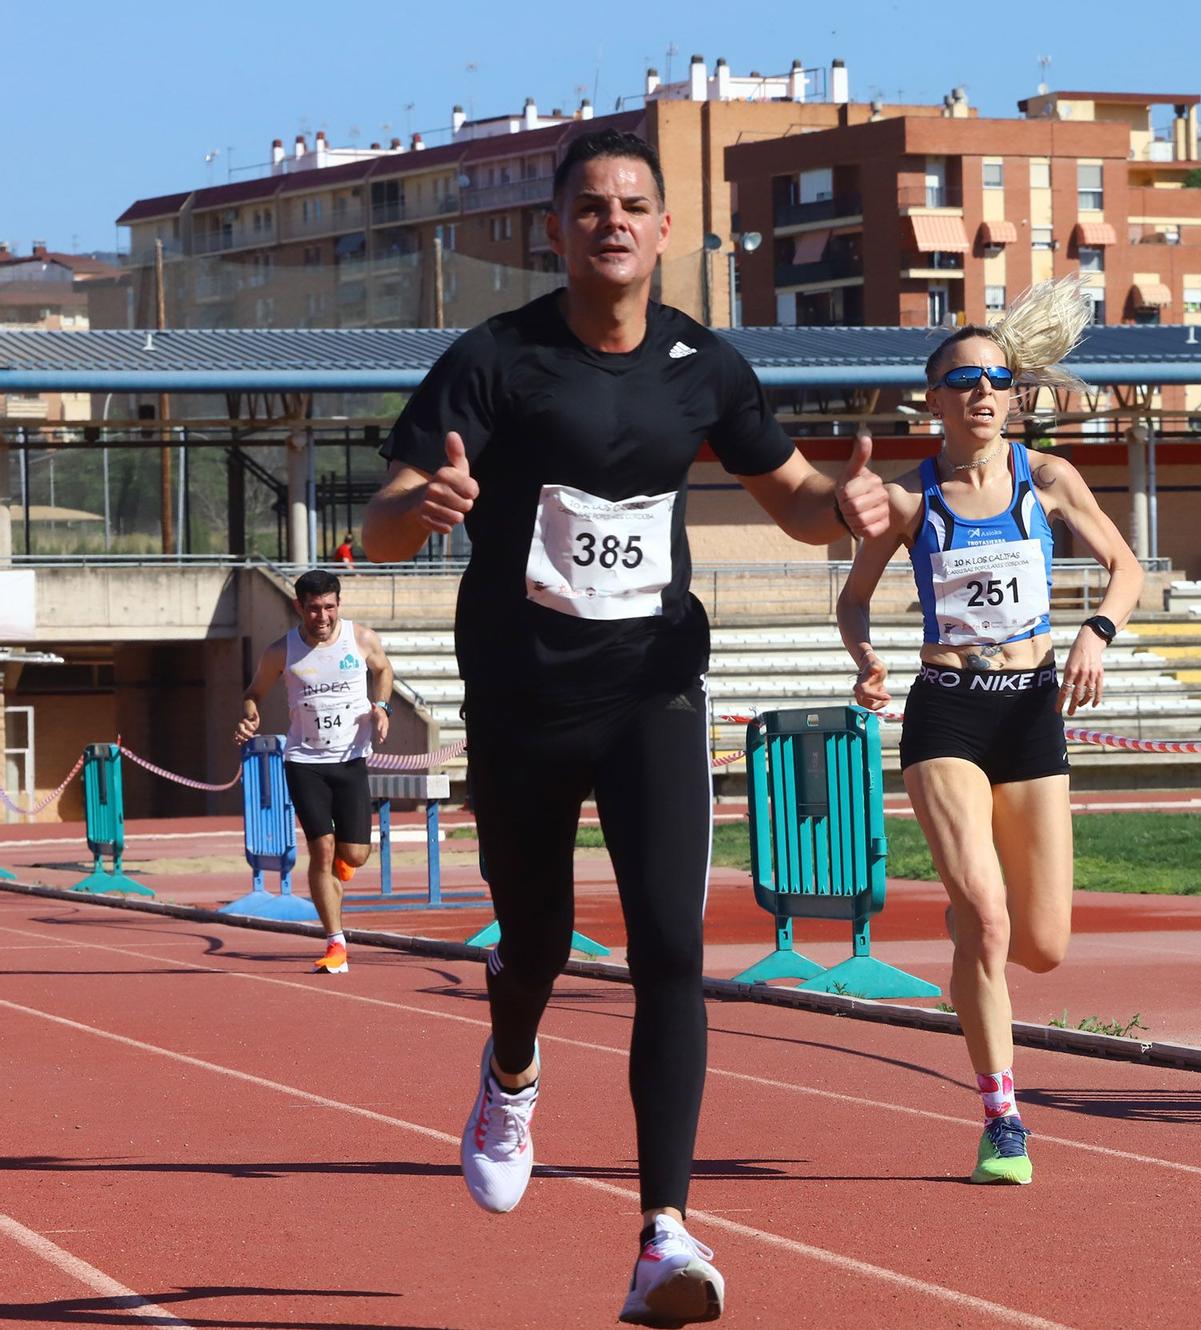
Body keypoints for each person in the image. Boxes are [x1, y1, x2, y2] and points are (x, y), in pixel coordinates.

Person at [361, 127, 889, 1328]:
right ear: (555, 230)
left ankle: (662, 1234)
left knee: (668, 950)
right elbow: (384, 520)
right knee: (537, 941)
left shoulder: (704, 366)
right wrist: (423, 505)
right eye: (587, 205)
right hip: (519, 693)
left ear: (664, 230)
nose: (610, 220)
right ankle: (509, 1067)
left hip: (653, 686)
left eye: (632, 204)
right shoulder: (495, 361)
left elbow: (795, 495)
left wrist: (845, 506)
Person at [836, 277, 1142, 1185]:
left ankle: (971, 926)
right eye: (963, 379)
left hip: (1033, 709)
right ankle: (1002, 1116)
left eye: (996, 379)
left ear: (1014, 394)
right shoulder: (905, 499)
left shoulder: (1048, 479)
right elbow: (853, 602)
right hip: (947, 710)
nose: (981, 392)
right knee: (991, 913)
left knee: (1040, 945)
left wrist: (1097, 632)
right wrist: (867, 660)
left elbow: (1124, 568)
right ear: (932, 400)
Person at [235, 568, 394, 974]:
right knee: (320, 850)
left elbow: (383, 670)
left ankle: (343, 867)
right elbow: (254, 693)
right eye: (313, 609)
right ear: (298, 608)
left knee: (354, 855)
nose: (321, 617)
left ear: (338, 605)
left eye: (329, 608)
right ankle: (335, 943)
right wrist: (249, 716)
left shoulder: (360, 639)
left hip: (351, 760)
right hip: (304, 761)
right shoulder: (280, 651)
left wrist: (382, 707)